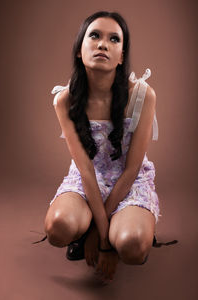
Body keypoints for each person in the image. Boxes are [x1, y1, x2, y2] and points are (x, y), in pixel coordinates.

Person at [33, 11, 178, 284]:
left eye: (114, 39)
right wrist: (100, 237)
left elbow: (133, 168)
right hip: (88, 180)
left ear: (121, 56)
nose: (103, 44)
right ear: (79, 50)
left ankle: (124, 227)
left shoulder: (142, 95)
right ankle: (95, 226)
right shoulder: (64, 100)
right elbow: (87, 170)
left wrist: (105, 243)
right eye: (95, 36)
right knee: (57, 228)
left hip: (130, 181)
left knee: (132, 246)